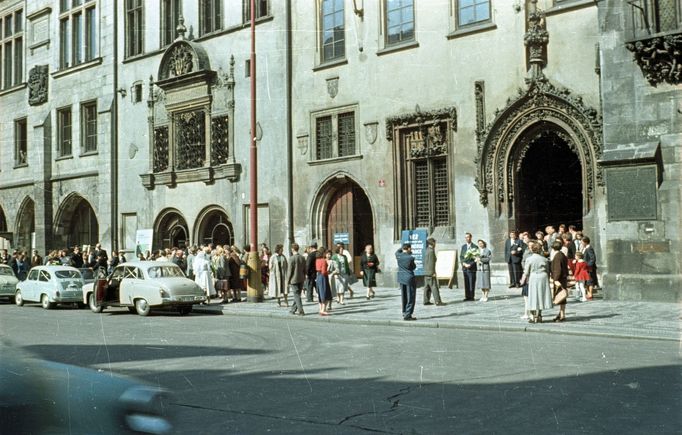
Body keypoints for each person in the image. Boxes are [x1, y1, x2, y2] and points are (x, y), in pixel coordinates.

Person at [520, 242, 553, 323]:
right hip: (543, 277)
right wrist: (548, 279)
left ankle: (533, 316)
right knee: (541, 296)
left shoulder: (529, 259)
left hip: (534, 277)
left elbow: (526, 271)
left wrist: (522, 280)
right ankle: (539, 315)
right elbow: (548, 271)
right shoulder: (544, 259)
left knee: (533, 296)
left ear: (532, 249)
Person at [395, 243, 417, 321]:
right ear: (408, 248)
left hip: (401, 278)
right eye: (410, 249)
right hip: (409, 278)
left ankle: (404, 312)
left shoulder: (398, 255)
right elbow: (413, 267)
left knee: (404, 296)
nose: (411, 250)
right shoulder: (410, 258)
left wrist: (402, 248)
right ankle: (408, 314)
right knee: (410, 296)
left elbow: (397, 251)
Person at [550, 240, 569, 322]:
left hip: (559, 279)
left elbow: (558, 269)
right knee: (562, 297)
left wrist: (555, 279)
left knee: (560, 297)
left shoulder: (557, 256)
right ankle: (561, 314)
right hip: (563, 279)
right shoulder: (562, 255)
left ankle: (562, 315)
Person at [422, 238, 443, 306]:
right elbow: (431, 263)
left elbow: (424, 262)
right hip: (430, 272)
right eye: (435, 243)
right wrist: (433, 272)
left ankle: (426, 300)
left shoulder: (426, 250)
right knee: (434, 286)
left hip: (426, 272)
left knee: (427, 287)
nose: (435, 245)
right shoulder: (431, 251)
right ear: (433, 243)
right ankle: (437, 301)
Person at [287, 243, 306, 316]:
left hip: (293, 279)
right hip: (301, 278)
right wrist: (304, 276)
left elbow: (289, 271)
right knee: (297, 295)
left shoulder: (291, 258)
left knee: (297, 295)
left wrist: (287, 281)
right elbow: (305, 269)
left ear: (292, 249)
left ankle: (301, 311)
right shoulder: (302, 257)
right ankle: (293, 310)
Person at [460, 233, 478, 301]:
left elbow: (476, 258)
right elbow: (461, 256)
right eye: (466, 237)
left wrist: (470, 264)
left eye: (468, 237)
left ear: (471, 237)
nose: (467, 238)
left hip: (471, 267)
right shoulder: (463, 246)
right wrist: (463, 263)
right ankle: (467, 296)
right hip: (465, 267)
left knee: (471, 282)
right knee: (466, 282)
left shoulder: (475, 247)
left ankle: (471, 296)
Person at [315, 247, 332, 316]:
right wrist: (328, 272)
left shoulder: (317, 260)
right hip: (323, 277)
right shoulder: (323, 261)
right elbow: (324, 272)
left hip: (318, 277)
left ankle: (321, 309)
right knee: (326, 293)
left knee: (320, 293)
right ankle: (323, 310)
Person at [520, 235, 533, 319]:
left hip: (531, 276)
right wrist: (525, 268)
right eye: (529, 245)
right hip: (526, 274)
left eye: (532, 245)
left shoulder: (536, 253)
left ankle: (530, 313)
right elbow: (523, 261)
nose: (530, 247)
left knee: (530, 296)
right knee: (526, 297)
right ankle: (526, 313)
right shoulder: (526, 251)